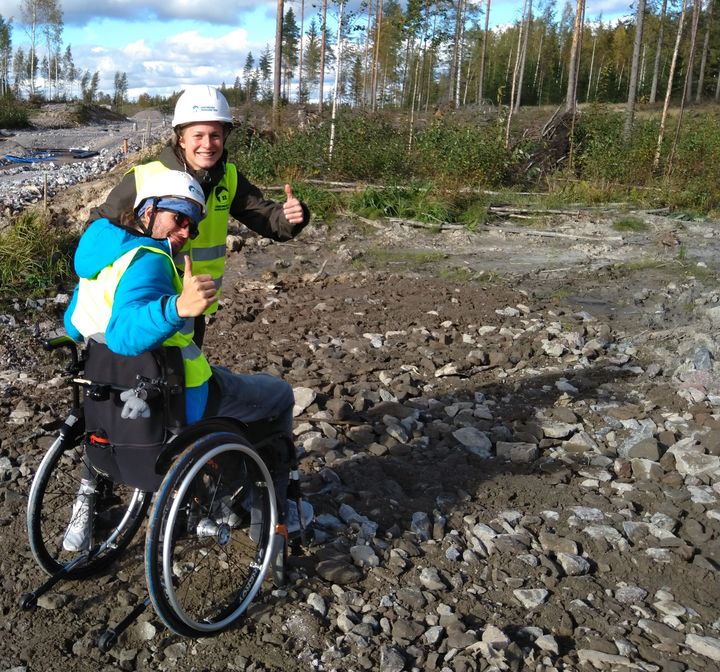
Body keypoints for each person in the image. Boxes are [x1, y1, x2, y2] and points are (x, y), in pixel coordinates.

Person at [62, 170, 313, 552]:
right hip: (181, 394)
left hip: (113, 398)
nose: (185, 232)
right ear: (147, 210)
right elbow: (123, 333)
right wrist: (177, 307)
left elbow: (74, 323)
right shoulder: (150, 261)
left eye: (193, 226)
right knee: (278, 395)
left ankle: (224, 487)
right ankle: (270, 516)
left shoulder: (102, 255)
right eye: (179, 218)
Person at [89, 84, 310, 345]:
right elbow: (97, 230)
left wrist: (291, 217)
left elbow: (266, 219)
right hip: (145, 305)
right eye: (198, 135)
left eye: (215, 135)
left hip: (195, 306)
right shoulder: (146, 178)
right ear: (181, 137)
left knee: (189, 379)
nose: (208, 144)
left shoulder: (228, 178)